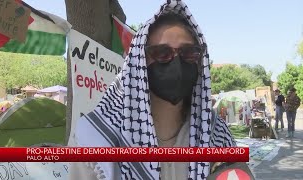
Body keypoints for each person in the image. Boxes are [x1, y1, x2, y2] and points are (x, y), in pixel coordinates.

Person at [68, 1, 252, 179]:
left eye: (188, 53)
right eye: (163, 53)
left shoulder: (215, 133)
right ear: (140, 61)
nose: (177, 64)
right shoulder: (98, 136)